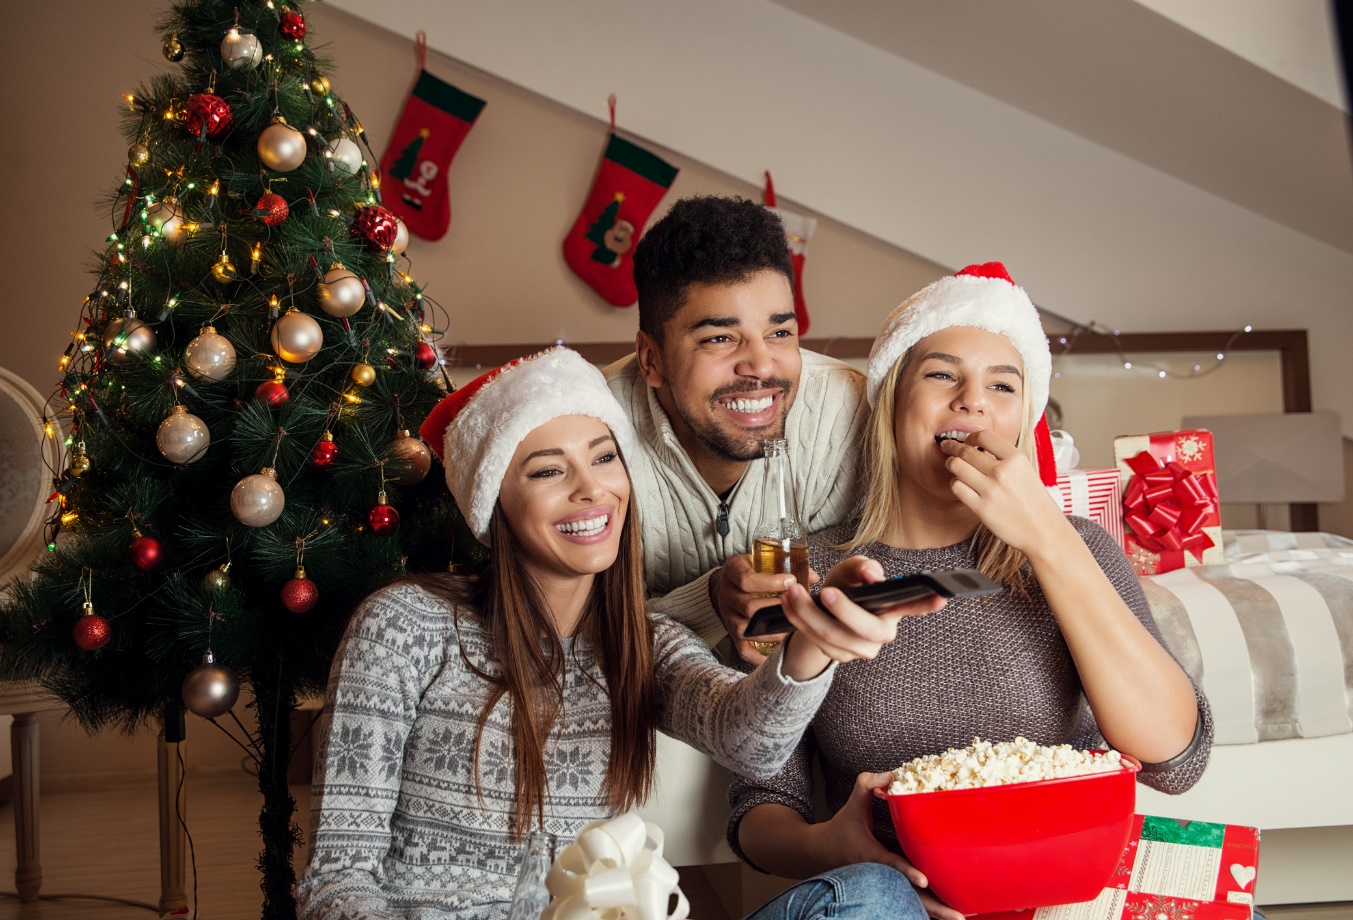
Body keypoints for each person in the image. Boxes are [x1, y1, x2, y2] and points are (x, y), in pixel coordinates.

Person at [297, 347, 941, 920]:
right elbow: (338, 884)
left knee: (874, 898)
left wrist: (813, 644)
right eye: (548, 471)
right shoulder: (404, 627)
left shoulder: (641, 642)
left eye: (606, 458)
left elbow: (748, 741)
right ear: (495, 501)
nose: (592, 490)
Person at [727, 263, 1212, 920]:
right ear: (892, 399)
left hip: (1059, 900)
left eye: (1001, 385)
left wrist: (1047, 539)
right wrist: (831, 849)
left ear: (1019, 422)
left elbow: (1174, 761)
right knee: (871, 897)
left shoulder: (1075, 549)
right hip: (889, 905)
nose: (972, 400)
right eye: (940, 374)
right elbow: (757, 805)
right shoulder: (816, 569)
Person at [604, 195, 869, 665]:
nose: (763, 365)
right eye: (720, 338)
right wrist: (706, 602)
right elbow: (571, 630)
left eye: (780, 332)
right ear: (652, 359)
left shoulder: (847, 413)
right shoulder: (592, 429)